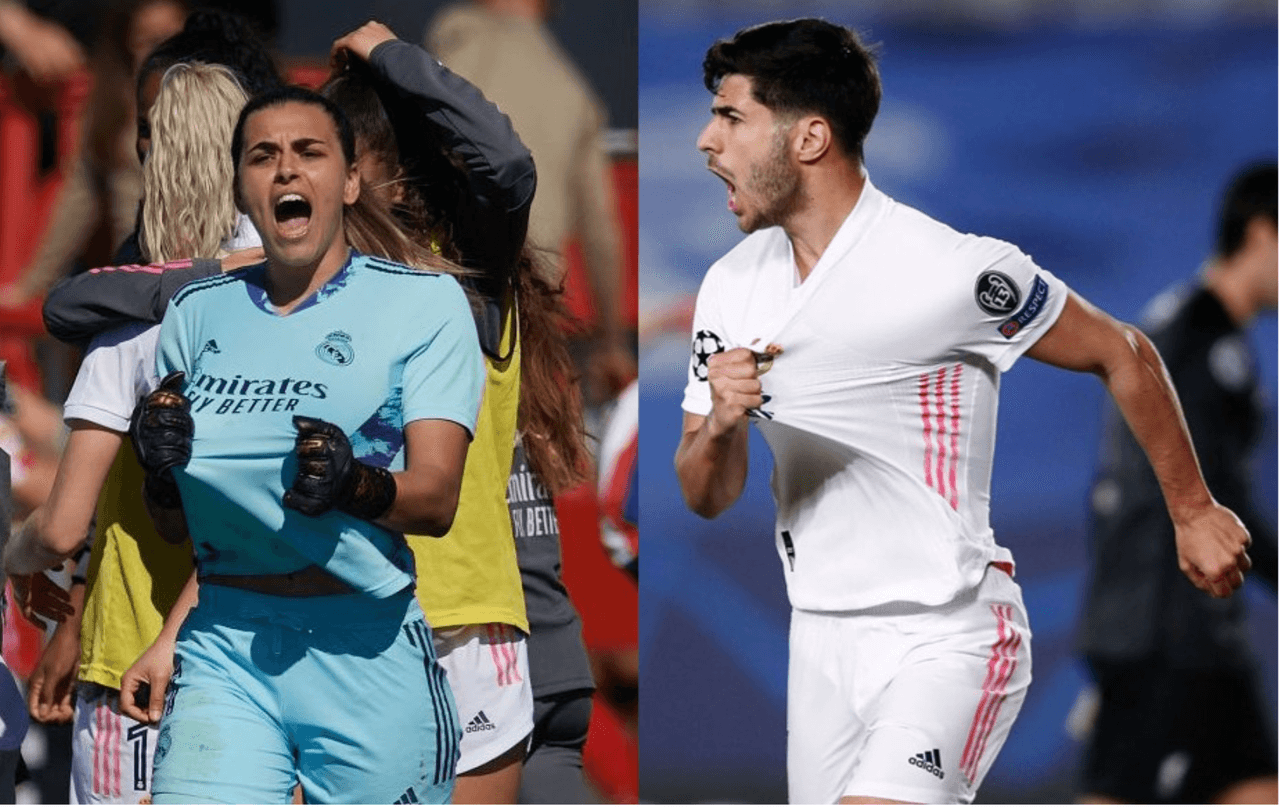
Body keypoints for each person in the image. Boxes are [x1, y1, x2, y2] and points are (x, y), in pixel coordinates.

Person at [672, 19, 1253, 805]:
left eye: (731, 116)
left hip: (947, 631)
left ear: (809, 138)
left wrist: (1193, 509)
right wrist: (718, 425)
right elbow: (706, 495)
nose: (706, 140)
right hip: (819, 640)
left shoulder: (950, 272)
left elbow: (1123, 352)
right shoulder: (730, 286)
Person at [14, 85, 483, 803]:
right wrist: (163, 479)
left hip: (366, 644)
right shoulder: (196, 314)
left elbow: (437, 501)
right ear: (241, 188)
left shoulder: (424, 303)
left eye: (309, 152)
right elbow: (180, 527)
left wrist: (357, 485)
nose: (286, 169)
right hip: (224, 646)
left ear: (350, 181)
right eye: (263, 156)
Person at [5, 61, 256, 804]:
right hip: (269, 663)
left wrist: (17, 555)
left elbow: (61, 526)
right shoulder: (301, 302)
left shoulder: (129, 324)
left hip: (135, 660)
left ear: (157, 160)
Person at [1076, 163, 1278, 805]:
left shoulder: (1189, 327)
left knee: (1257, 789)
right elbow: (1212, 500)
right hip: (1166, 625)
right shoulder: (1202, 343)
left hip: (1184, 626)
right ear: (1262, 233)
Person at [427, 0, 635, 407]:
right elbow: (602, 232)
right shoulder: (572, 89)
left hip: (444, 292)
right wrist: (612, 344)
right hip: (529, 311)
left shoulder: (449, 54)